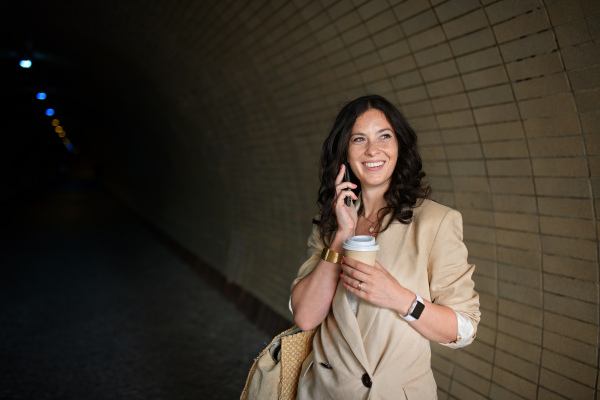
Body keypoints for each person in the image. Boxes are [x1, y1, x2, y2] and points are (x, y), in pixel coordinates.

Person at [289, 95, 480, 399]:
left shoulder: (436, 222)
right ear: (345, 153)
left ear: (399, 146)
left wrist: (401, 299)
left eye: (384, 136)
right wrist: (342, 234)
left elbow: (464, 328)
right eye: (359, 139)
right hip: (325, 392)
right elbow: (306, 317)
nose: (372, 150)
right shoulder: (328, 223)